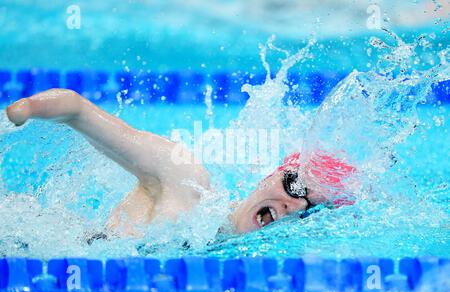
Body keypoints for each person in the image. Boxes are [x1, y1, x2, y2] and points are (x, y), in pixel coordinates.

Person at [6, 89, 355, 237]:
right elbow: (77, 108)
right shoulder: (186, 182)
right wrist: (29, 109)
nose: (294, 204)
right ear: (271, 175)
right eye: (295, 186)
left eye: (310, 210)